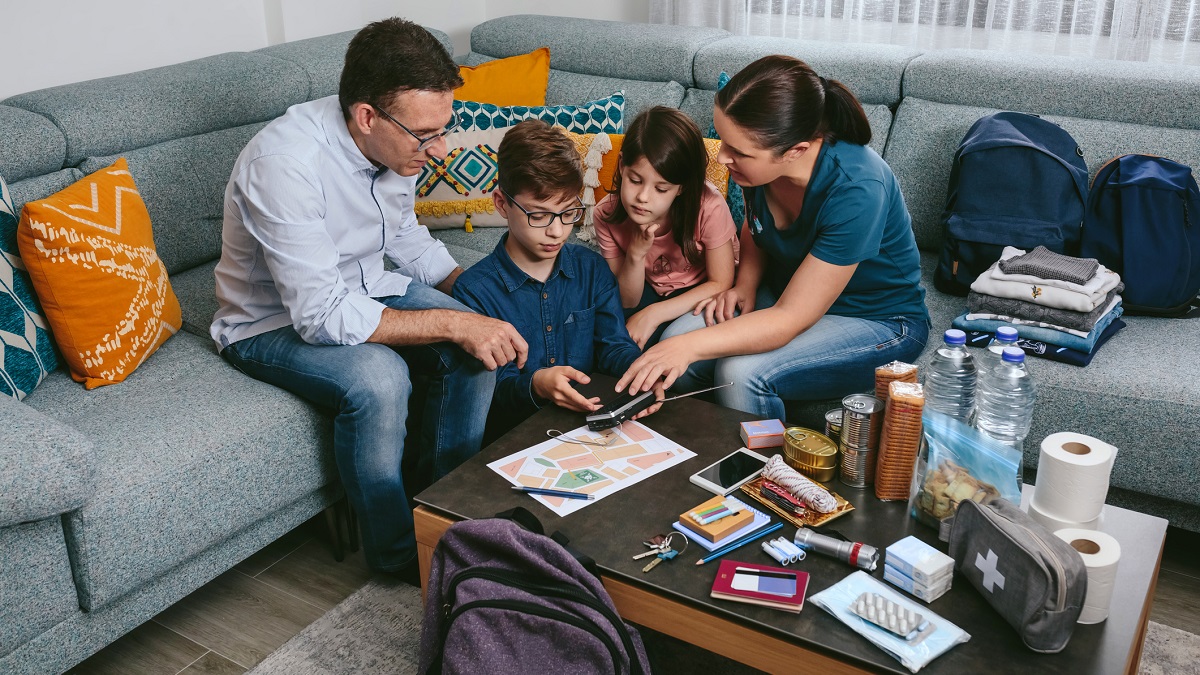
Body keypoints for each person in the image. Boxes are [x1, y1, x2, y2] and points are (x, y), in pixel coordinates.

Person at [210, 18, 527, 579]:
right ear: (367, 116)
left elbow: (403, 236)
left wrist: (478, 302)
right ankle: (399, 558)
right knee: (381, 379)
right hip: (268, 324)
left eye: (443, 129)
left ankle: (444, 525)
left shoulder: (394, 146)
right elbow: (320, 314)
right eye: (426, 135)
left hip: (364, 285)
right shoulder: (284, 164)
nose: (440, 149)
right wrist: (455, 325)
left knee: (479, 345)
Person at [617, 55, 930, 420]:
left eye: (738, 151)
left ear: (795, 151)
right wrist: (746, 284)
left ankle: (763, 474)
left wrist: (689, 347)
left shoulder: (858, 188)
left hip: (878, 320)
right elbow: (755, 226)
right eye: (724, 143)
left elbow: (789, 318)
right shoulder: (756, 170)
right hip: (785, 293)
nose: (723, 159)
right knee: (674, 343)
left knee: (740, 374)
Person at [453, 119, 656, 440]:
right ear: (501, 203)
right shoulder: (474, 292)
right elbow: (486, 394)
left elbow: (613, 345)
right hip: (512, 439)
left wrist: (643, 373)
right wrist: (536, 384)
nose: (557, 231)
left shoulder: (590, 268)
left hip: (587, 428)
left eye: (567, 213)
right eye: (538, 215)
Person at [593, 106, 738, 348]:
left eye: (661, 189)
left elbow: (721, 282)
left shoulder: (708, 206)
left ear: (680, 188)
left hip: (700, 289)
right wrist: (636, 255)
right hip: (645, 289)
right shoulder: (605, 214)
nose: (643, 197)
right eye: (635, 180)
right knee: (603, 336)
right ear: (621, 166)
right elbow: (627, 301)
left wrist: (654, 314)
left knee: (663, 344)